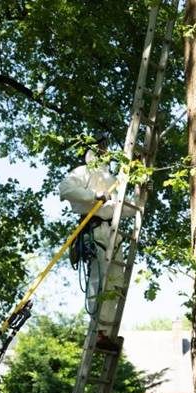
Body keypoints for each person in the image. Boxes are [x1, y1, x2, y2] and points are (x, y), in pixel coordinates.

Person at [59, 133, 136, 351]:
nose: (105, 150)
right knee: (99, 280)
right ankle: (98, 332)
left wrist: (138, 197)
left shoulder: (112, 179)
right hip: (94, 230)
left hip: (113, 232)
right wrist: (94, 195)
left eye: (107, 147)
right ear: (93, 150)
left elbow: (125, 208)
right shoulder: (82, 172)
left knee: (115, 282)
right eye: (102, 147)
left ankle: (107, 332)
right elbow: (65, 189)